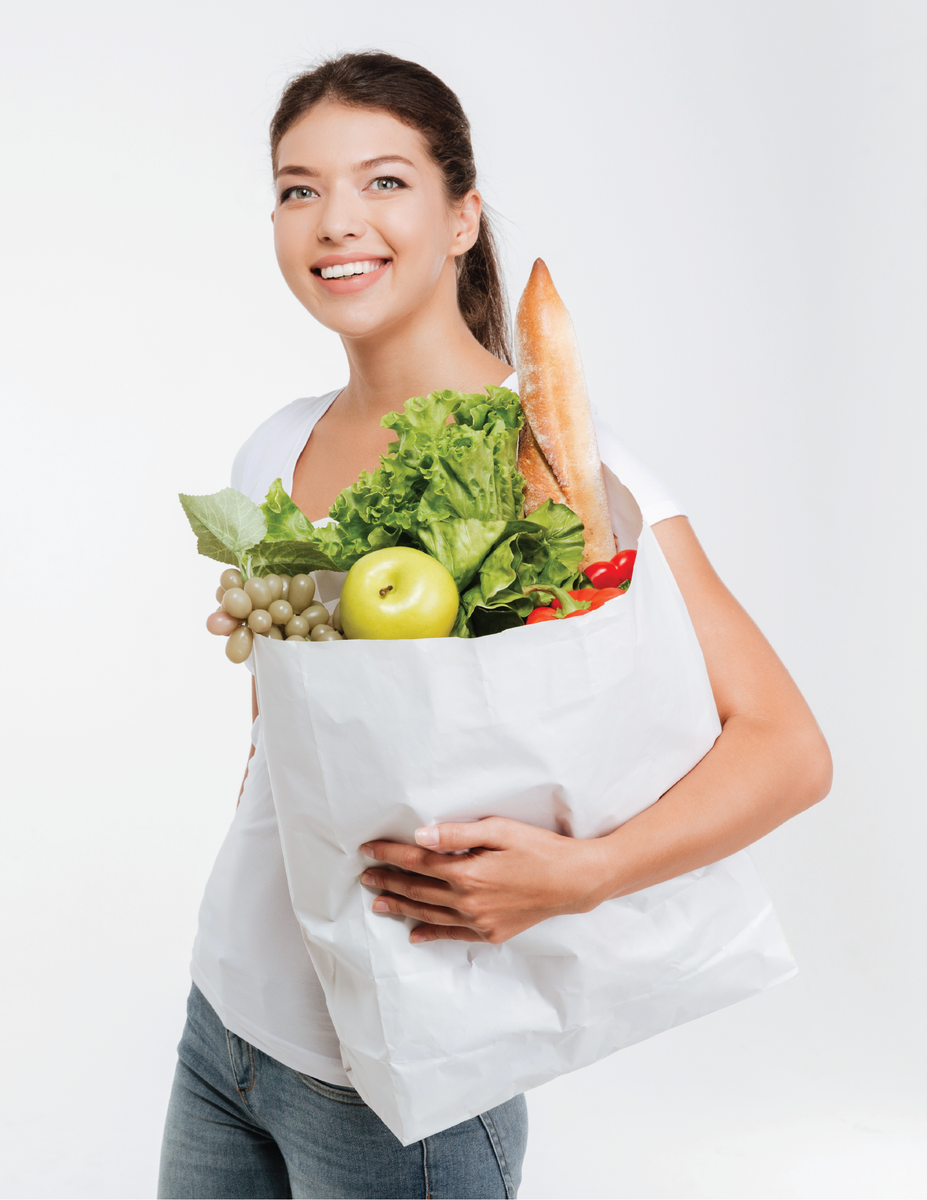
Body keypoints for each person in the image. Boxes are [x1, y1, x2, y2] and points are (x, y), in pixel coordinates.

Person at [157, 51, 831, 1200]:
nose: (335, 222)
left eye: (383, 182)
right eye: (298, 188)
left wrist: (586, 874)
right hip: (226, 1028)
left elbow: (786, 745)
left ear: (463, 215)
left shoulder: (566, 469)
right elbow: (288, 749)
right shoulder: (275, 448)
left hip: (407, 1088)